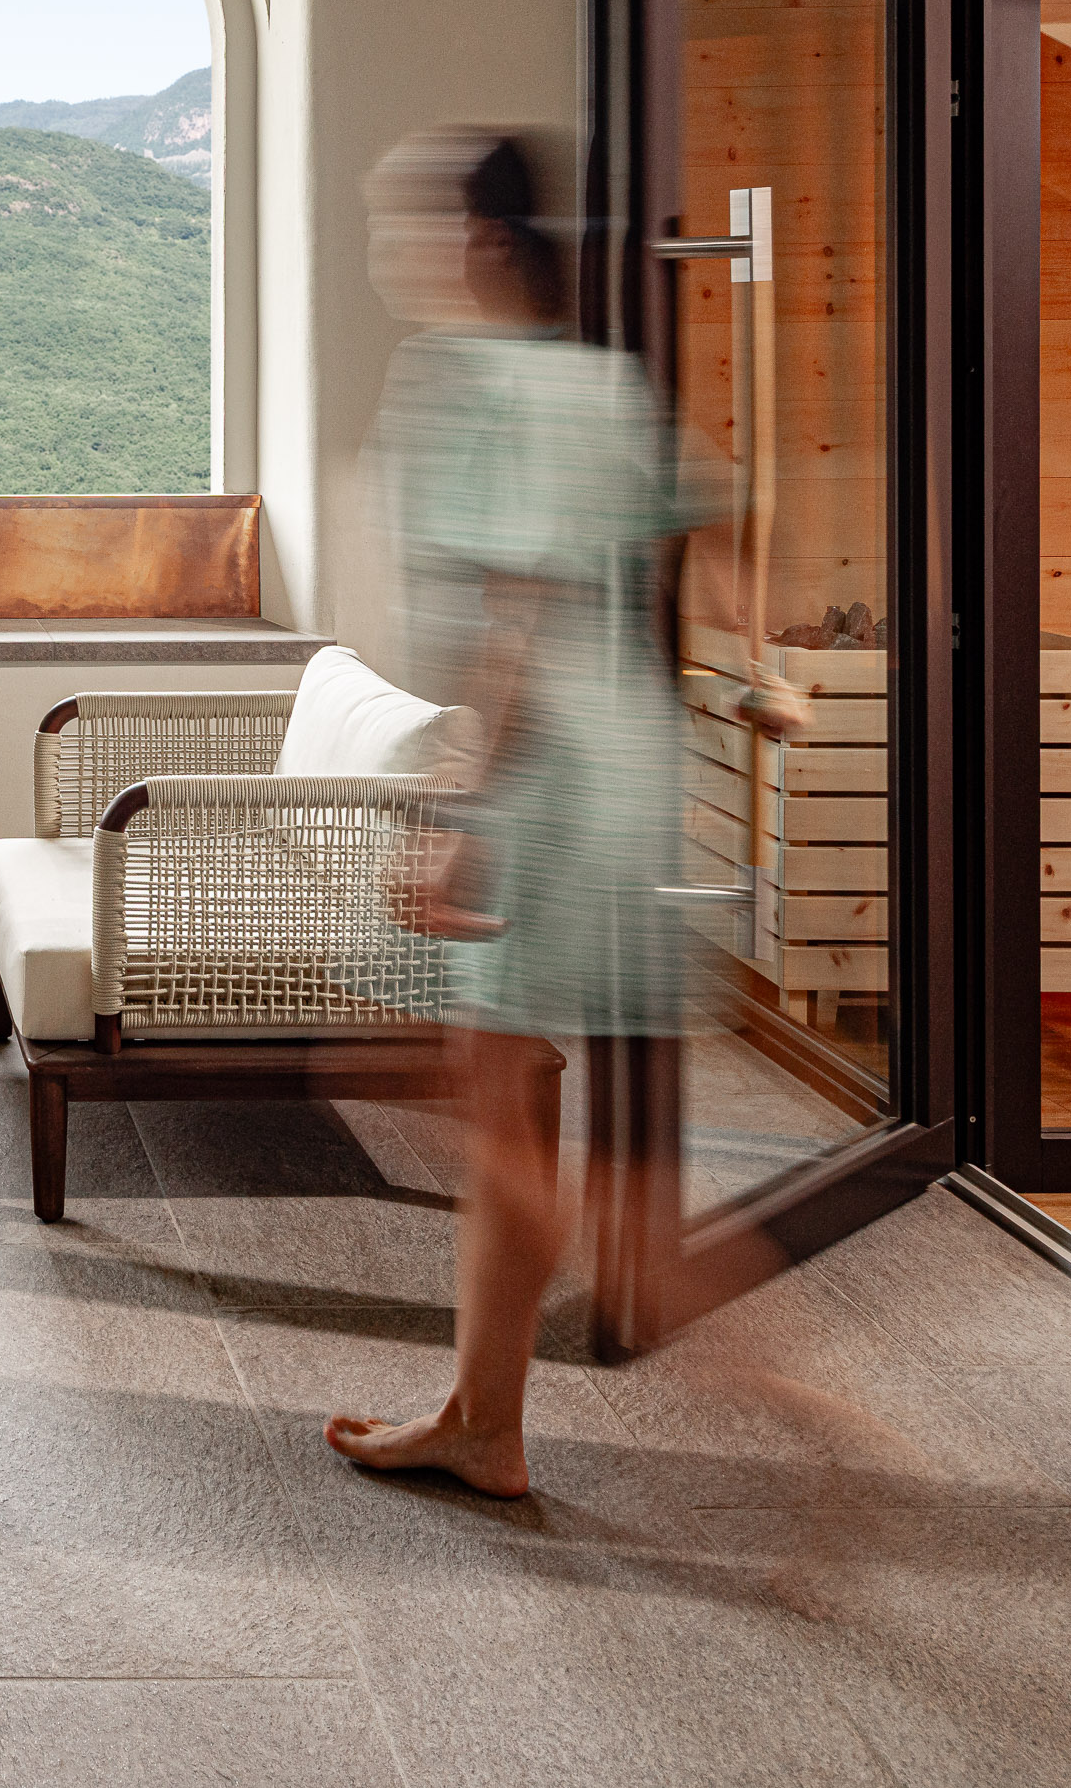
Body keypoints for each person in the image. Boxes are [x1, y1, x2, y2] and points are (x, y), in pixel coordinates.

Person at [322, 130, 748, 1500]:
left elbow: (521, 608)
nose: (392, 249)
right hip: (626, 763)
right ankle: (482, 1417)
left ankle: (787, 1389)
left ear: (484, 240)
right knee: (501, 1096)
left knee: (492, 1114)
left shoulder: (468, 377)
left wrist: (466, 814)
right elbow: (717, 511)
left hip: (549, 777)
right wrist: (765, 667)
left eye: (410, 221)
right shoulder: (598, 379)